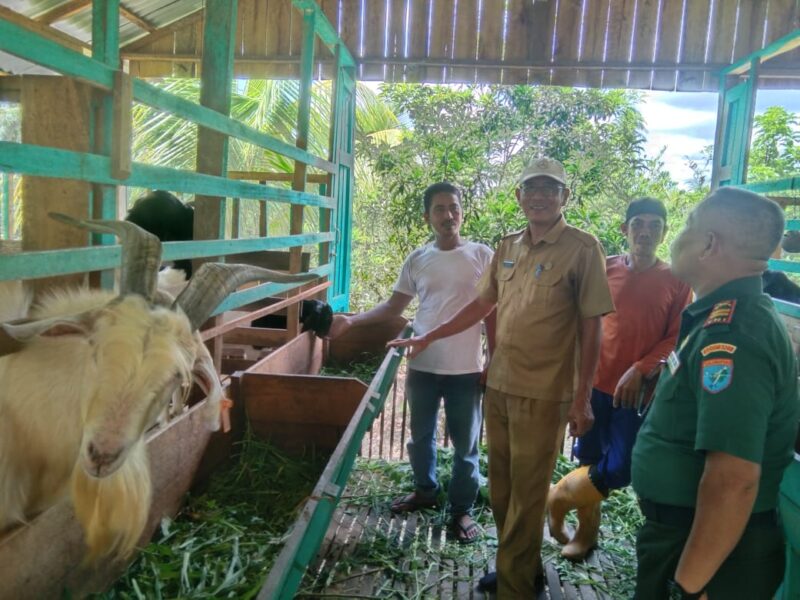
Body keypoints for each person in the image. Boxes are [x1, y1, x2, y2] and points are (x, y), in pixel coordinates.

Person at [389, 157, 615, 597]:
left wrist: (582, 396)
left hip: (544, 392)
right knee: (502, 491)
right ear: (519, 196)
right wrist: (428, 335)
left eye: (550, 189)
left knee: (530, 494)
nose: (540, 196)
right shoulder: (507, 247)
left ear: (565, 196)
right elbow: (480, 308)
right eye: (531, 188)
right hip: (499, 386)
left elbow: (593, 326)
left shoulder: (583, 248)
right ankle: (520, 566)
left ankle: (514, 587)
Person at [631, 187, 799, 599]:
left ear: (709, 244)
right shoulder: (716, 317)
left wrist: (686, 586)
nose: (679, 235)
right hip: (688, 538)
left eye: (689, 225)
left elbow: (733, 479)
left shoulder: (734, 334)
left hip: (705, 555)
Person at [327, 182, 494, 545]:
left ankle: (462, 509)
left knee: (466, 444)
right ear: (427, 216)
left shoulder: (483, 255)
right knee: (420, 438)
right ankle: (425, 491)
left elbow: (493, 312)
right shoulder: (418, 259)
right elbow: (393, 308)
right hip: (421, 365)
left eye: (453, 207)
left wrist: (492, 359)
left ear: (462, 211)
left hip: (465, 367)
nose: (448, 215)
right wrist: (350, 321)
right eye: (439, 209)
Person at [547, 198, 692, 561]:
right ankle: (585, 535)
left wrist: (641, 367)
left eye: (655, 225)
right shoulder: (605, 268)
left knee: (622, 467)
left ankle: (555, 499)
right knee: (590, 458)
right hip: (593, 385)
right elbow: (578, 321)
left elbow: (677, 336)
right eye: (638, 224)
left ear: (663, 232)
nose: (645, 231)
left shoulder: (676, 280)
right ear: (625, 229)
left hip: (637, 393)